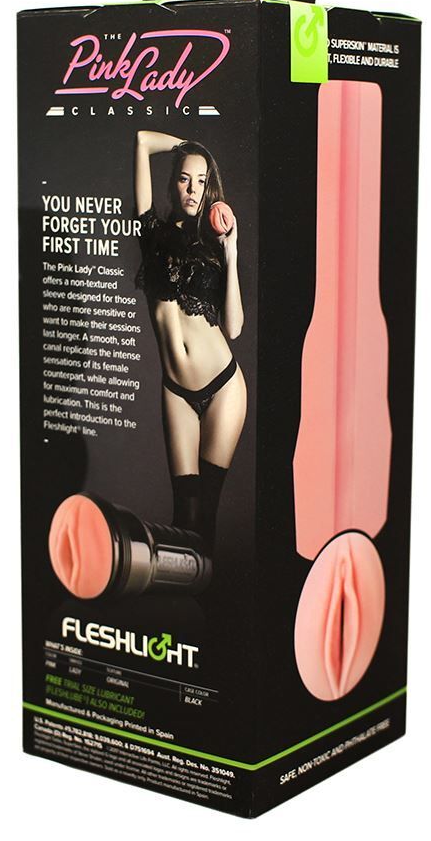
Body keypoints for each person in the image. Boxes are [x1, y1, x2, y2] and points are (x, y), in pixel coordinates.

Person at [133, 130, 247, 551]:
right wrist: (190, 146)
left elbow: (233, 328)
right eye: (185, 178)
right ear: (174, 182)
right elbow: (142, 141)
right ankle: (188, 588)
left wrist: (232, 253)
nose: (193, 189)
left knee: (207, 513)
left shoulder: (214, 246)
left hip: (224, 386)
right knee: (185, 513)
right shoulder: (150, 231)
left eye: (202, 181)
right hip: (176, 391)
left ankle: (209, 592)